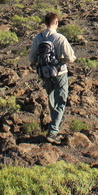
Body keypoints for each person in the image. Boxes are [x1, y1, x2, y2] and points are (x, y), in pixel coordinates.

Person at [27, 12, 76, 144]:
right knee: (61, 101)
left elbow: (31, 58)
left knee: (52, 99)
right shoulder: (60, 38)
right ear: (55, 22)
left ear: (45, 23)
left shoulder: (38, 38)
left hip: (45, 73)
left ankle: (54, 126)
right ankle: (53, 131)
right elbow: (70, 58)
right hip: (60, 73)